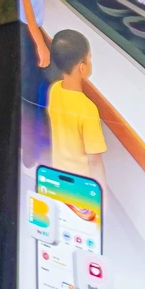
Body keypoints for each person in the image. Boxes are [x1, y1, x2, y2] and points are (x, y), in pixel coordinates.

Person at [46, 30, 109, 184]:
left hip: (58, 176)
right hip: (80, 185)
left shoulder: (54, 90)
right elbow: (94, 162)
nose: (90, 62)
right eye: (89, 58)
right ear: (82, 67)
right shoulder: (88, 109)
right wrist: (102, 198)